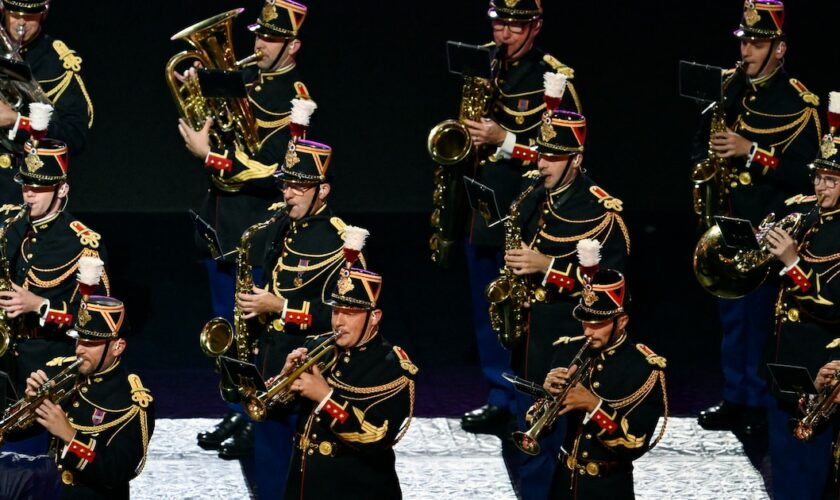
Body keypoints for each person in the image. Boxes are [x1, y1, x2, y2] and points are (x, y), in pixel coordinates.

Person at [179, 0, 311, 462]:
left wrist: (209, 157)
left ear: (293, 44)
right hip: (221, 221)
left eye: (271, 38)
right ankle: (239, 406)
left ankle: (263, 415)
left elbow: (276, 170)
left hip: (259, 225)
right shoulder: (243, 77)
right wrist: (198, 94)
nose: (258, 44)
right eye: (258, 34)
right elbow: (215, 128)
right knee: (229, 327)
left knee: (257, 327)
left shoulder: (297, 97)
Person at [693, 0, 822, 435]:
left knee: (764, 325)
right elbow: (702, 143)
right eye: (745, 41)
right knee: (733, 321)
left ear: (780, 49)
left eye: (758, 43)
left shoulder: (800, 103)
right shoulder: (729, 88)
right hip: (728, 226)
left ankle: (761, 405)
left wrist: (752, 152)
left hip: (771, 232)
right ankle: (736, 397)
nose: (747, 51)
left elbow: (810, 176)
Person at [460, 0, 583, 437]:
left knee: (529, 312)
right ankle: (497, 394)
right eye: (499, 25)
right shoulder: (483, 64)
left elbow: (566, 151)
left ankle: (528, 397)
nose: (504, 36)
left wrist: (504, 138)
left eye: (514, 27)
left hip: (531, 213)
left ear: (535, 27)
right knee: (487, 308)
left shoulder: (553, 77)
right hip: (482, 208)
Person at [502, 109, 630, 499]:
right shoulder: (532, 195)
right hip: (529, 336)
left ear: (575, 158)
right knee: (526, 435)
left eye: (552, 156)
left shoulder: (601, 212)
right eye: (540, 153)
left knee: (564, 442)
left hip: (572, 339)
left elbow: (612, 287)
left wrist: (547, 267)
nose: (541, 163)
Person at [237, 138, 364, 498]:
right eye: (285, 183)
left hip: (307, 368)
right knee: (271, 467)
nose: (288, 194)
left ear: (322, 190)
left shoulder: (342, 242)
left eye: (299, 186)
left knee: (304, 473)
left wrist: (280, 308)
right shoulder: (282, 224)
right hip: (269, 359)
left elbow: (349, 318)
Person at [281, 266, 417, 499]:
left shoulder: (393, 368)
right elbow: (270, 409)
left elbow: (375, 436)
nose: (339, 322)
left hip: (357, 490)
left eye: (350, 313)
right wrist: (285, 381)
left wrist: (325, 398)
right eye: (335, 312)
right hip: (303, 487)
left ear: (374, 317)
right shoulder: (318, 348)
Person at [2, 295, 155, 500]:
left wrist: (70, 436)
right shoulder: (69, 373)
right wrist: (32, 405)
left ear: (118, 346)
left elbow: (117, 472)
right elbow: (14, 434)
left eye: (91, 343)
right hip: (49, 482)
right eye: (78, 339)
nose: (79, 349)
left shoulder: (132, 399)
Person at [762, 117, 840, 499]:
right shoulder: (805, 214)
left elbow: (834, 306)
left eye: (832, 180)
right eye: (818, 177)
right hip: (784, 361)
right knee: (784, 469)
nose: (820, 187)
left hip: (821, 368)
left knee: (810, 472)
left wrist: (794, 264)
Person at [542, 268, 666, 499]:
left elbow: (634, 443)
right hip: (562, 485)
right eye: (585, 322)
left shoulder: (643, 367)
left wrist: (593, 406)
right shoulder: (567, 351)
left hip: (608, 489)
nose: (588, 331)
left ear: (622, 321)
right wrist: (547, 397)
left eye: (598, 323)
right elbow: (536, 427)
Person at [0, 137, 108, 399]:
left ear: (61, 190)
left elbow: (99, 322)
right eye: (26, 185)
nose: (29, 194)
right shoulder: (8, 224)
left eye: (40, 187)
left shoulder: (82, 243)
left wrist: (40, 305)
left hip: (47, 361)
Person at [0, 0, 94, 207]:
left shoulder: (59, 63)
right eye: (15, 14)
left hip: (27, 187)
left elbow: (74, 137)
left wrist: (16, 121)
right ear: (2, 8)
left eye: (30, 14)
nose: (21, 22)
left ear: (45, 11)